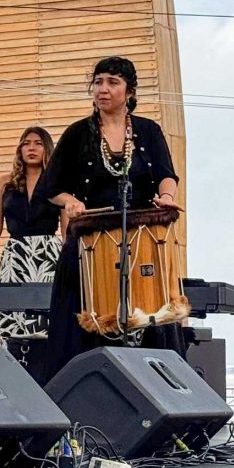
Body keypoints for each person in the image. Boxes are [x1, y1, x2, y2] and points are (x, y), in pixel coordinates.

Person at [35, 56, 184, 383]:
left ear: (129, 92)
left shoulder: (148, 131)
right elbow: (50, 187)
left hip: (142, 240)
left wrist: (166, 196)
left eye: (112, 82)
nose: (103, 89)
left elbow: (166, 174)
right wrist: (70, 201)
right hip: (90, 243)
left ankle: (156, 390)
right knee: (80, 330)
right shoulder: (78, 134)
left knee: (150, 322)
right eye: (98, 82)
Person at [0, 127, 64, 379]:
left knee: (47, 315)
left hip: (48, 253)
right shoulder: (4, 183)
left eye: (38, 143)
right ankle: (10, 374)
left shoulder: (56, 184)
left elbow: (67, 228)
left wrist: (72, 264)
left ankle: (46, 374)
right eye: (26, 143)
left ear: (46, 149)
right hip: (15, 254)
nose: (31, 148)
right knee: (11, 315)